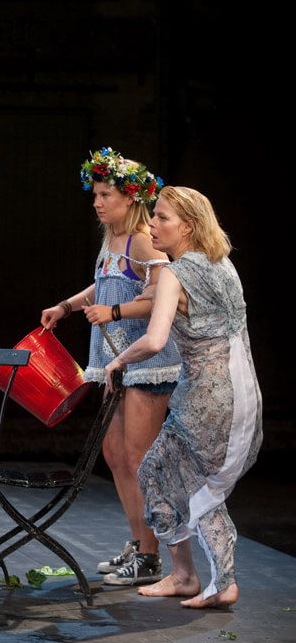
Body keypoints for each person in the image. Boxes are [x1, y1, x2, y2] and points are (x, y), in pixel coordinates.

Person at [105, 186, 261, 609]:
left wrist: (118, 361)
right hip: (241, 390)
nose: (151, 224)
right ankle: (187, 575)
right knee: (160, 472)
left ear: (188, 227)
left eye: (162, 218)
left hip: (208, 397)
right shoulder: (222, 265)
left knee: (189, 483)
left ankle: (216, 580)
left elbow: (155, 340)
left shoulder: (176, 274)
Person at [41, 147, 180, 587]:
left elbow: (162, 295)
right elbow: (102, 283)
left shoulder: (143, 240)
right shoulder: (112, 240)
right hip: (113, 361)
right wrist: (66, 306)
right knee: (115, 453)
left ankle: (151, 555)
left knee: (139, 457)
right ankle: (139, 542)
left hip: (145, 360)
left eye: (106, 195)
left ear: (130, 198)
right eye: (96, 195)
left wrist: (114, 312)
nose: (98, 203)